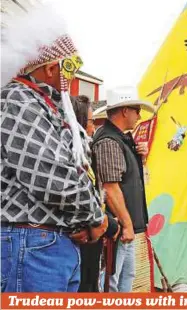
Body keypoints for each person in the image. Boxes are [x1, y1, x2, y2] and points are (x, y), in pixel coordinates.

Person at [1, 4, 105, 292]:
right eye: (69, 69)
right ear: (50, 68)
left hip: (45, 245)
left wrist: (84, 220)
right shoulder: (18, 98)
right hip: (32, 247)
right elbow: (49, 175)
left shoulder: (39, 102)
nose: (71, 79)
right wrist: (94, 216)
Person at [92, 87, 154, 292]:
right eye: (137, 110)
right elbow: (110, 188)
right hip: (117, 227)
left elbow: (129, 180)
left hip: (123, 226)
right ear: (125, 111)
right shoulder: (109, 141)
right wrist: (126, 224)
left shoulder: (119, 139)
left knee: (126, 276)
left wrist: (140, 158)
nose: (139, 115)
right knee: (110, 280)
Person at [71, 96, 121, 292]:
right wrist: (106, 221)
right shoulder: (72, 153)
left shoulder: (85, 151)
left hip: (94, 234)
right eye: (91, 122)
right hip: (83, 237)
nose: (93, 128)